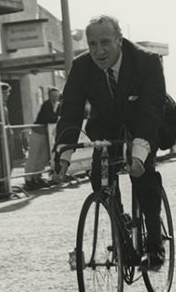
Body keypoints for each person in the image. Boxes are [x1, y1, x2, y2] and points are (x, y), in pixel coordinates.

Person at [55, 15, 167, 269]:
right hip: (106, 124)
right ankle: (122, 232)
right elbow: (70, 112)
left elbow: (151, 109)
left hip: (143, 119)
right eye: (92, 44)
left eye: (105, 42)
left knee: (143, 176)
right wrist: (63, 157)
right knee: (100, 177)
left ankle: (154, 241)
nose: (98, 51)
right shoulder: (82, 66)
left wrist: (138, 155)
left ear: (119, 39)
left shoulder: (146, 61)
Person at [24, 86, 61, 190]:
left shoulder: (58, 105)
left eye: (57, 96)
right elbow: (49, 118)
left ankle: (37, 176)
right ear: (49, 96)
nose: (55, 98)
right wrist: (58, 119)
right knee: (34, 155)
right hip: (38, 132)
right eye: (53, 96)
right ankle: (28, 179)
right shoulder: (46, 105)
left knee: (45, 157)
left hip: (47, 134)